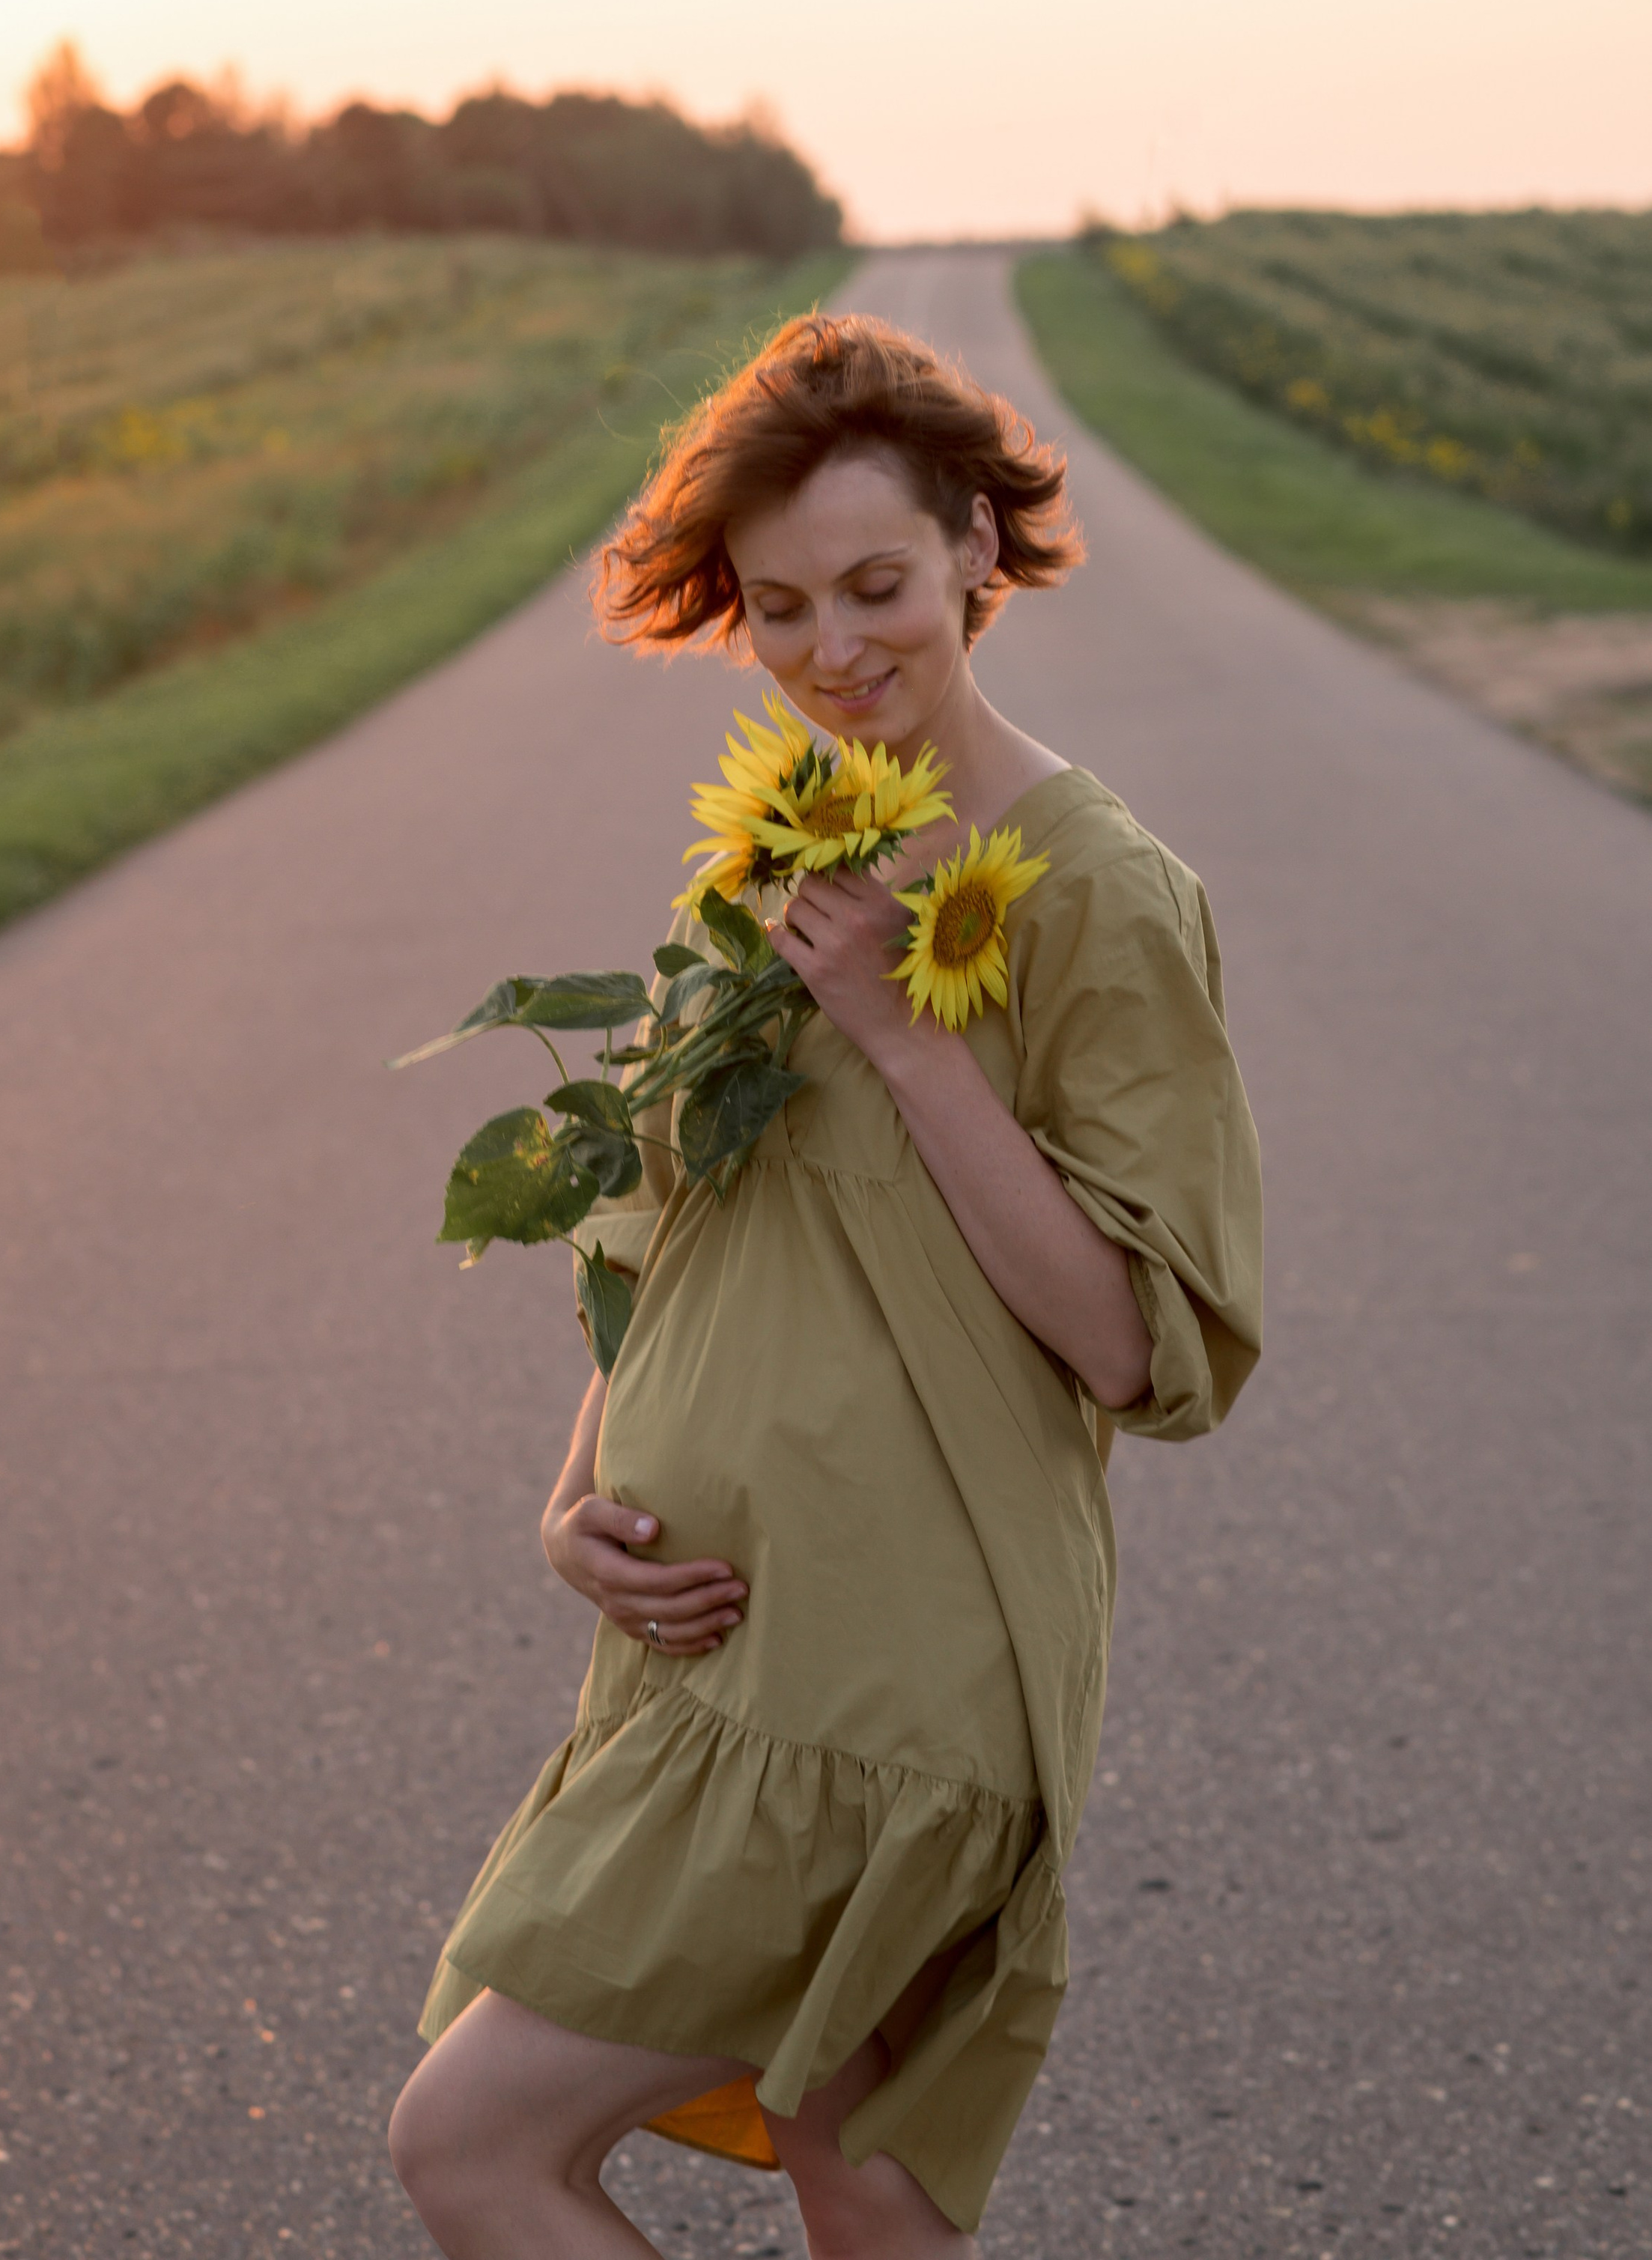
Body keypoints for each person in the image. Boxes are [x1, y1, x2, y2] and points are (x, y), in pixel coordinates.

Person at [389, 312, 1263, 2259]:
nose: (828, 649)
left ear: (977, 551)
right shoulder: (780, 851)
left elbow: (1139, 1344)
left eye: (874, 585)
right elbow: (673, 1217)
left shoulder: (1098, 891)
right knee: (859, 2190)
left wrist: (906, 1034)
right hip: (721, 1662)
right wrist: (571, 1499)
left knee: (474, 2146)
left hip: (886, 1684)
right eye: (777, 608)